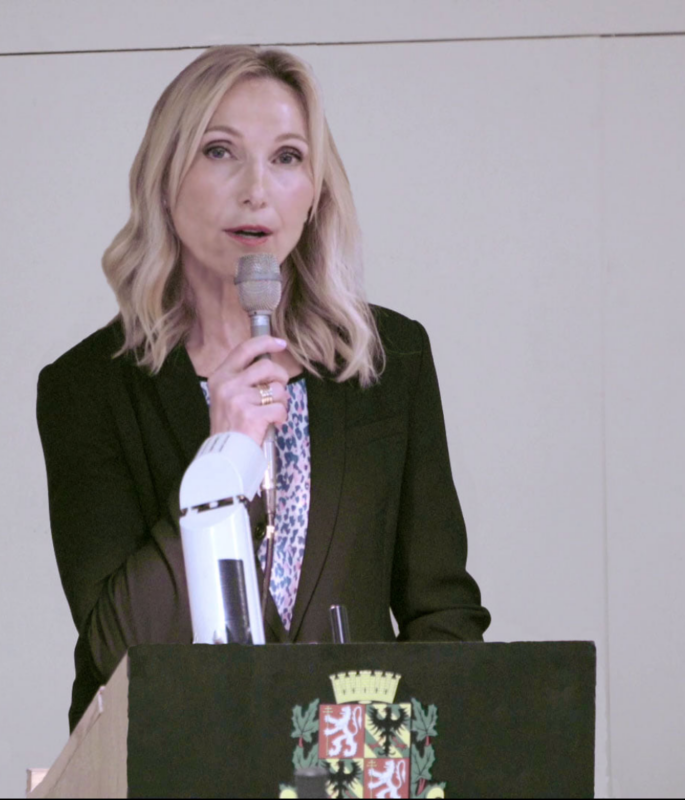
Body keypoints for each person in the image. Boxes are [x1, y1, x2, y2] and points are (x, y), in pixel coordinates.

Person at [36, 45, 490, 733]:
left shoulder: (389, 359)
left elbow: (444, 614)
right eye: (220, 151)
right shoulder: (88, 387)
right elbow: (115, 648)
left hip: (350, 761)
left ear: (315, 193)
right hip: (173, 758)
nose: (257, 189)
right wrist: (223, 463)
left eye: (287, 157)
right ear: (165, 180)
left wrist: (391, 755)